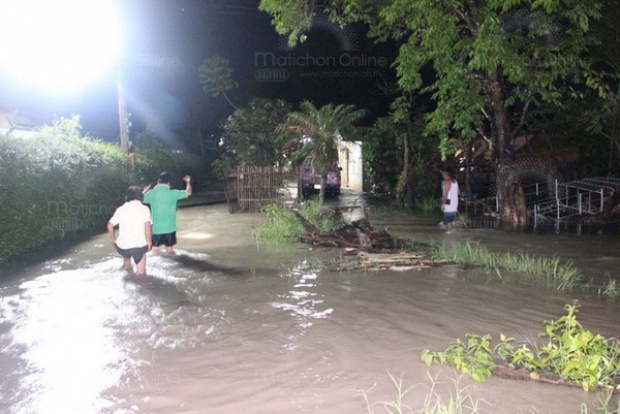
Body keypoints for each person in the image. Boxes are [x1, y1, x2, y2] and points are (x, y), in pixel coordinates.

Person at [143, 172, 192, 255]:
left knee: (155, 253)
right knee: (170, 251)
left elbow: (139, 197)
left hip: (156, 229)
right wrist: (188, 181)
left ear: (158, 181)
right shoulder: (173, 193)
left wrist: (145, 189)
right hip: (170, 229)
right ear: (169, 183)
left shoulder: (151, 194)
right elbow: (188, 192)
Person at [107, 186, 153, 275]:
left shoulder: (120, 209)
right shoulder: (144, 209)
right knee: (141, 274)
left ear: (127, 196)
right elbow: (147, 226)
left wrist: (113, 240)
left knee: (126, 265)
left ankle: (124, 269)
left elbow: (109, 225)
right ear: (140, 196)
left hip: (122, 247)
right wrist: (149, 242)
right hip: (138, 247)